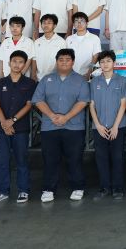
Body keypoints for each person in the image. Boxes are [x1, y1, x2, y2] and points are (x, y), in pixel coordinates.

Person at [32, 48, 90, 203]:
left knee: (75, 159)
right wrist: (52, 115)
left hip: (74, 127)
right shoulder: (47, 79)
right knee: (50, 159)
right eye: (61, 59)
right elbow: (38, 100)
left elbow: (83, 101)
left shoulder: (81, 81)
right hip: (50, 127)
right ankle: (48, 189)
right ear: (56, 61)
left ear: (73, 62)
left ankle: (78, 187)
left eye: (68, 59)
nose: (64, 62)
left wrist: (66, 117)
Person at [0, 50, 36, 204]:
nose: (17, 64)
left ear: (25, 65)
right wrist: (4, 123)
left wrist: (12, 120)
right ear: (9, 63)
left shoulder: (30, 83)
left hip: (20, 128)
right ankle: (3, 191)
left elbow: (28, 105)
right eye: (14, 61)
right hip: (3, 129)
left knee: (22, 160)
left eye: (21, 62)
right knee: (3, 161)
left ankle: (23, 191)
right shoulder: (0, 82)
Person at [89, 50, 126, 200]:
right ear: (99, 64)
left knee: (117, 157)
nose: (105, 64)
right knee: (101, 158)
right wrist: (97, 125)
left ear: (114, 63)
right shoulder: (94, 82)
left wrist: (116, 126)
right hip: (99, 127)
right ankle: (104, 187)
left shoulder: (122, 81)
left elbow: (123, 105)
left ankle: (118, 188)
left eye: (108, 61)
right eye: (102, 62)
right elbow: (91, 105)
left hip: (117, 127)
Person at [65, 12, 102, 80]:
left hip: (87, 74)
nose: (79, 23)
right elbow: (66, 57)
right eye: (76, 21)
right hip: (71, 75)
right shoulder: (69, 39)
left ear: (87, 23)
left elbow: (95, 57)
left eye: (82, 21)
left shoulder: (94, 38)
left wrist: (89, 72)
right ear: (73, 24)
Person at [31, 14, 66, 82]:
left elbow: (63, 61)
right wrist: (33, 75)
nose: (46, 25)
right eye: (44, 23)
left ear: (54, 25)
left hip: (55, 79)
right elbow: (34, 59)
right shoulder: (37, 42)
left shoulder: (61, 42)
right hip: (39, 78)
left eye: (49, 23)